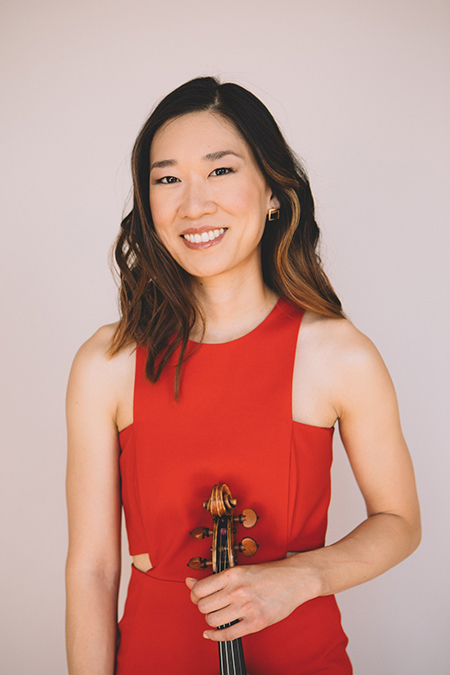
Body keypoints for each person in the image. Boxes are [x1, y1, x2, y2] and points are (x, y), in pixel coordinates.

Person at [65, 76, 421, 674]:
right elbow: (93, 569)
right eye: (167, 179)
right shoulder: (108, 362)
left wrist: (301, 577)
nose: (193, 204)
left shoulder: (338, 353)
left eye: (221, 171)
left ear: (273, 192)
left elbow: (400, 522)